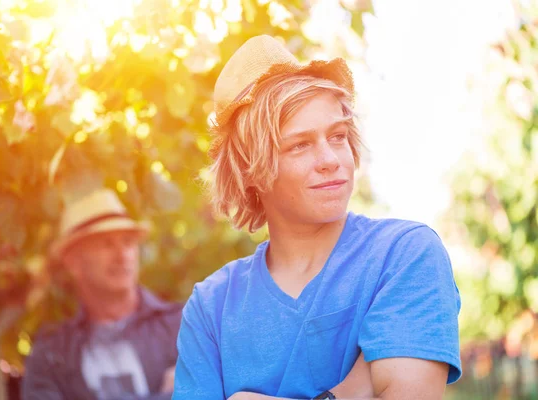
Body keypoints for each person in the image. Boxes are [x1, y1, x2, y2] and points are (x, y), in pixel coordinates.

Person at [173, 35, 462, 400]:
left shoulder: (403, 255)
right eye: (300, 144)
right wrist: (353, 390)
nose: (331, 159)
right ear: (249, 169)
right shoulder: (211, 307)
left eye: (338, 136)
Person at [22, 188, 182, 400]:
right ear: (73, 262)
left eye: (127, 242)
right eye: (106, 244)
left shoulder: (184, 325)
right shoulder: (51, 354)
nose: (122, 256)